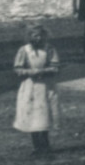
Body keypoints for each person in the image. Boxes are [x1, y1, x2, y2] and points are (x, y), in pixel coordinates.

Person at [13, 25, 60, 158]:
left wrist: (45, 71)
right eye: (34, 36)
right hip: (30, 87)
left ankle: (45, 145)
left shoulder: (49, 49)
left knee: (44, 113)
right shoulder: (24, 51)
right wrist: (31, 72)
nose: (38, 38)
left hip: (45, 86)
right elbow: (17, 69)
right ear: (29, 37)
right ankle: (36, 146)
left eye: (40, 35)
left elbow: (55, 67)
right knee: (32, 113)